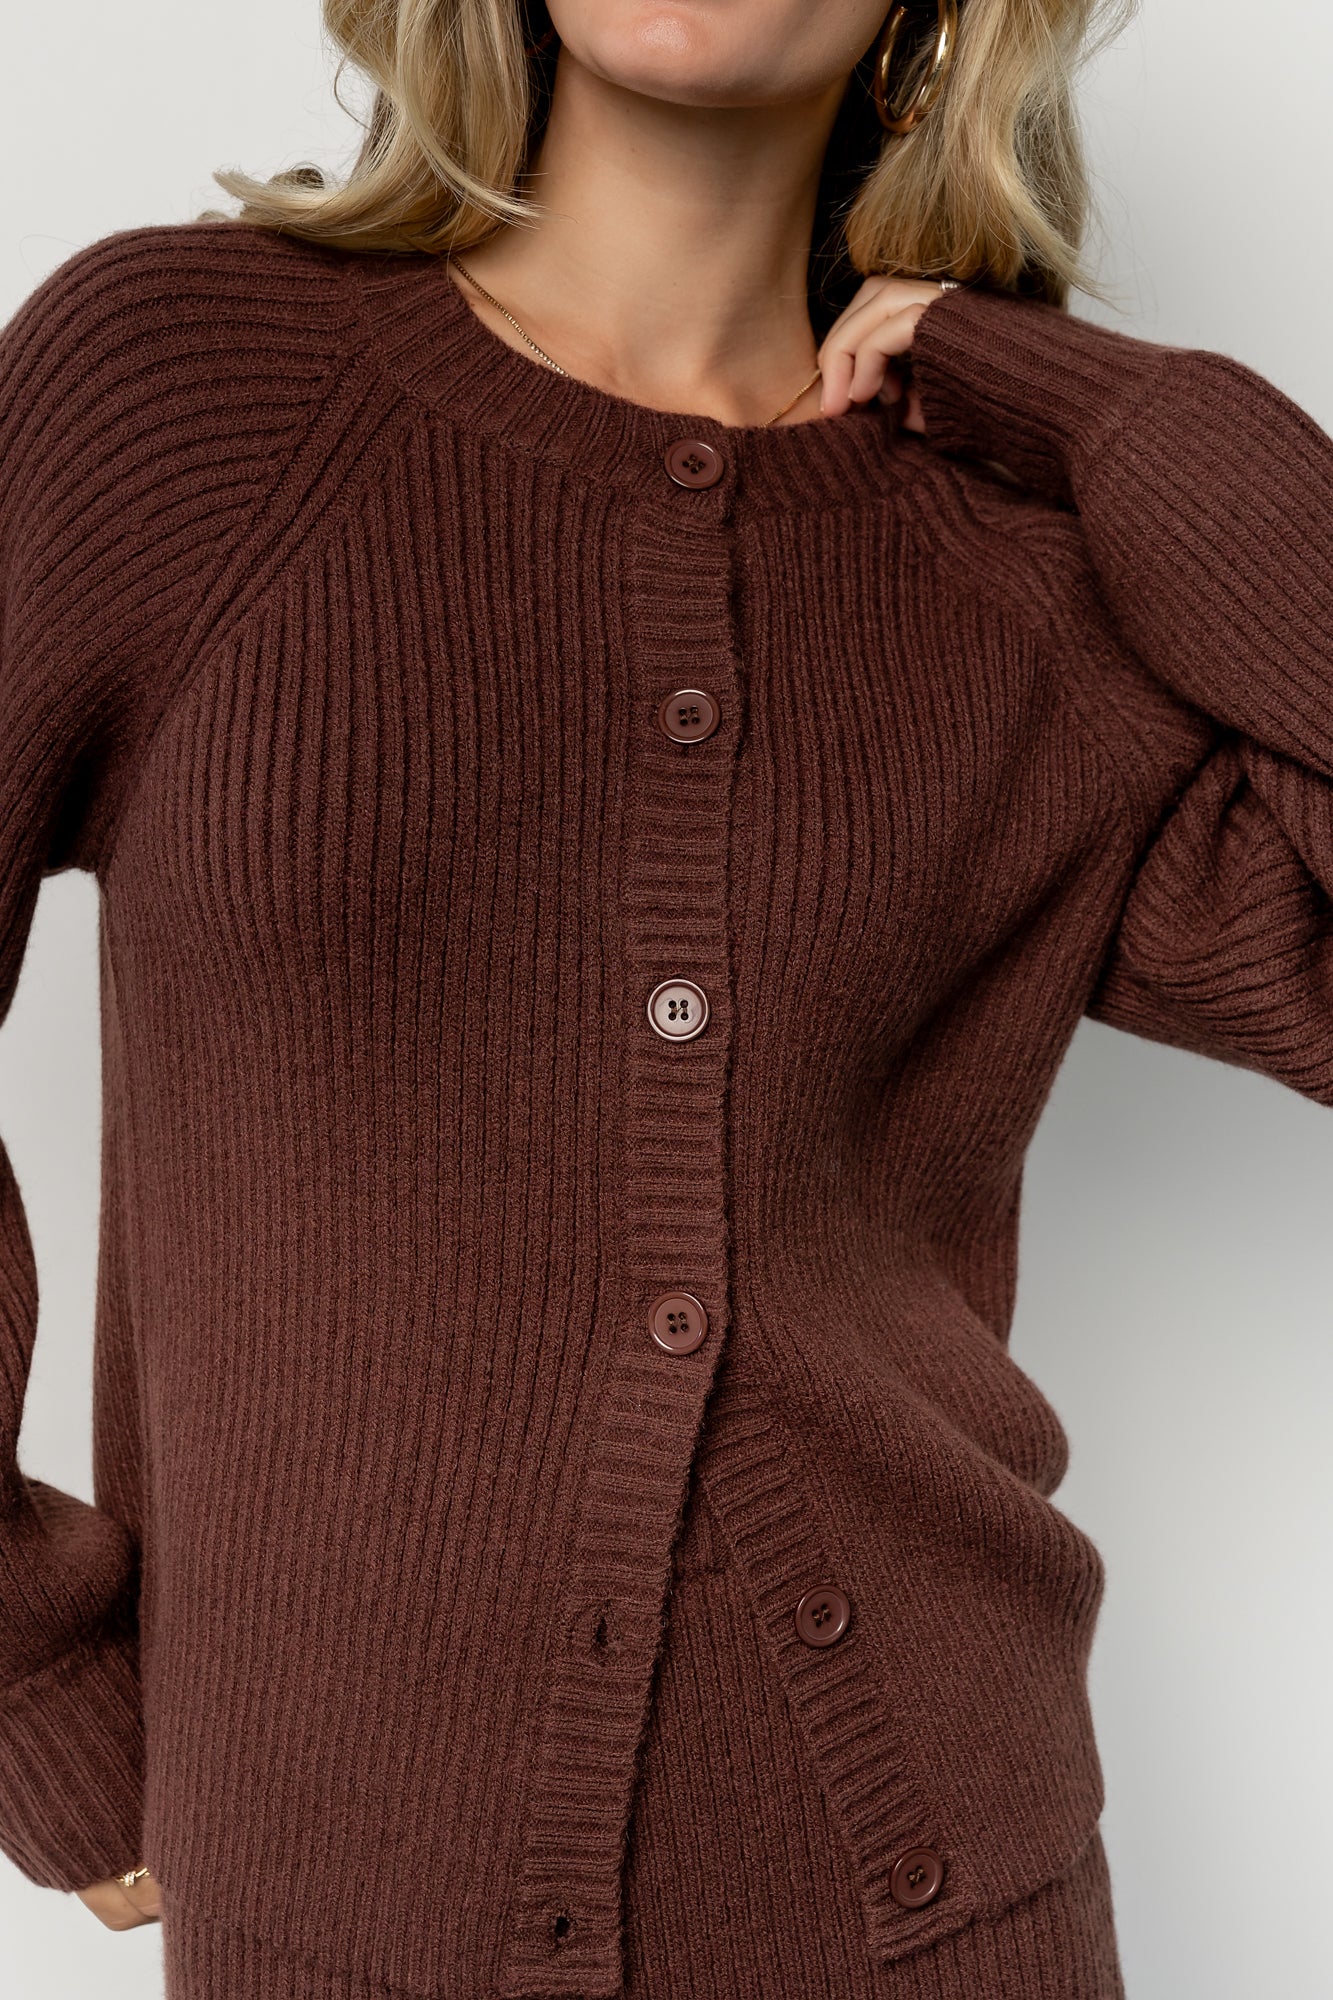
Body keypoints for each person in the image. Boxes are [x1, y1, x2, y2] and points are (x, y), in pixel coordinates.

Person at [0, 0, 1328, 1994]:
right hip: (332, 1889)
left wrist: (1120, 415)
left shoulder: (1017, 579)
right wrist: (33, 1672)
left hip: (938, 1899)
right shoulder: (181, 392)